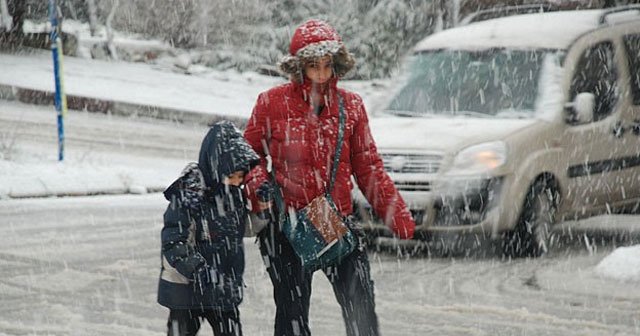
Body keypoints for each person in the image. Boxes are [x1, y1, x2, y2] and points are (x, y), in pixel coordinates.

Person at [243, 19, 416, 336]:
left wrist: (395, 212)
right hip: (287, 223)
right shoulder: (271, 103)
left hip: (334, 221)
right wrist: (259, 184)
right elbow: (248, 154)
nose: (322, 73)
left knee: (361, 309)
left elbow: (368, 166)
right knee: (291, 317)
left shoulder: (352, 107)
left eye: (327, 64)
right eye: (313, 65)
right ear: (299, 67)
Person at [157, 121, 260, 336]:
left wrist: (264, 211)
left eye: (241, 177)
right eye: (232, 176)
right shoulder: (187, 195)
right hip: (186, 291)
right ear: (216, 168)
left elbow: (245, 229)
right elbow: (174, 241)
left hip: (223, 290)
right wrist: (199, 270)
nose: (237, 182)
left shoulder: (234, 197)